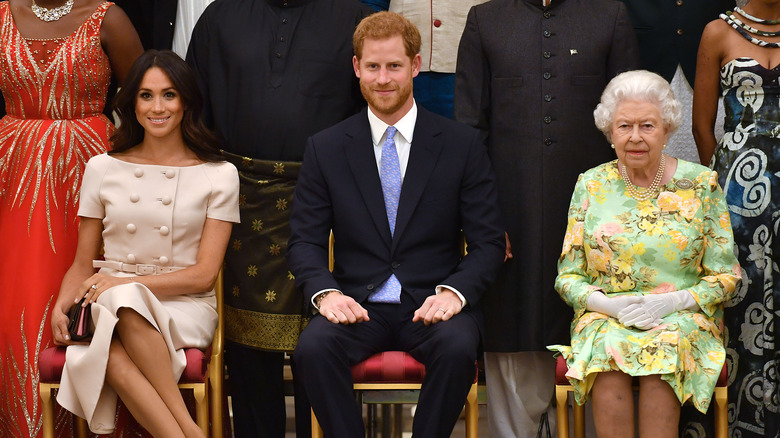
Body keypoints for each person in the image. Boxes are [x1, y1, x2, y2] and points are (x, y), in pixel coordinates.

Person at [288, 11, 505, 437]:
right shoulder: (326, 148)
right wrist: (326, 293)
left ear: (416, 67)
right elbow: (304, 242)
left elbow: (488, 243)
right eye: (372, 66)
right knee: (311, 349)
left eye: (394, 66)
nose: (383, 78)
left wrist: (455, 293)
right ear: (356, 69)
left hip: (431, 303)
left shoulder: (460, 145)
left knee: (459, 346)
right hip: (356, 305)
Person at [185, 0, 371, 435]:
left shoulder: (353, 18)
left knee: (324, 341)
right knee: (248, 353)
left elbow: (374, 111)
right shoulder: (220, 16)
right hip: (240, 202)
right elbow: (195, 109)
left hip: (330, 203)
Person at [453, 0, 639, 435]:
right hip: (507, 209)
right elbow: (468, 128)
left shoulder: (608, 15)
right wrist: (482, 222)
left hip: (595, 216)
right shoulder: (486, 18)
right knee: (510, 324)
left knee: (593, 326)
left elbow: (631, 121)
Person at [50, 50, 239, 437]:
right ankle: (188, 432)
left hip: (183, 305)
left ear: (186, 101)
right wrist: (61, 304)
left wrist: (122, 286)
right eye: (146, 95)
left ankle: (186, 429)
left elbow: (204, 276)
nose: (158, 107)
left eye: (169, 95)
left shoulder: (220, 174)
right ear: (131, 102)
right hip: (110, 299)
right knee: (111, 346)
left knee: (120, 310)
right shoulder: (102, 167)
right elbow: (83, 262)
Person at [548, 69, 741, 438]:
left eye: (647, 126)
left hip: (681, 317)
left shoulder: (701, 184)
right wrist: (610, 307)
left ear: (667, 129)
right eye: (624, 126)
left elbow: (726, 276)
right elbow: (568, 276)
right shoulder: (591, 184)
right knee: (608, 349)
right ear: (610, 132)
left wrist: (673, 303)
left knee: (662, 351)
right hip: (607, 317)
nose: (635, 137)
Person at [0, 1, 142, 436]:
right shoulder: (2, 12)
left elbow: (143, 90)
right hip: (14, 169)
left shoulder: (108, 17)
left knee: (86, 295)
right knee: (17, 302)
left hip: (91, 169)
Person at [692, 1, 780, 436]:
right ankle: (739, 424)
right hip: (738, 194)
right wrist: (724, 185)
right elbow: (702, 125)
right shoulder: (716, 32)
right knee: (741, 296)